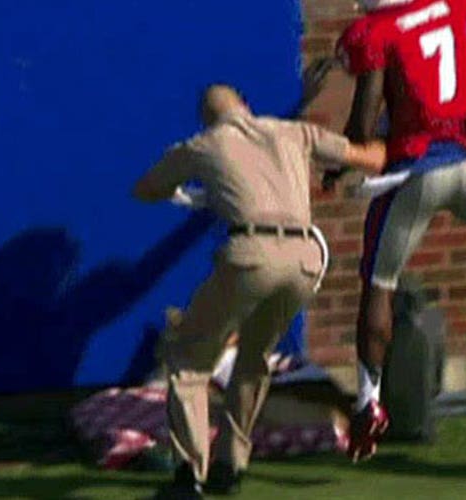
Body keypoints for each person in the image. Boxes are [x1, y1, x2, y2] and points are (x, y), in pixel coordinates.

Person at [133, 84, 386, 499]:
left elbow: (147, 189)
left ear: (208, 118)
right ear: (247, 106)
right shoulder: (293, 131)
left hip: (252, 254)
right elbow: (369, 158)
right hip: (306, 258)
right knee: (254, 359)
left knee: (189, 360)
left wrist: (192, 194)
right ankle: (232, 465)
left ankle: (188, 477)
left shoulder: (204, 143)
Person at [323, 0, 466, 462]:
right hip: (464, 162)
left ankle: (369, 402)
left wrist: (340, 163)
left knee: (379, 285)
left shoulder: (375, 31)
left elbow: (363, 119)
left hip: (415, 174)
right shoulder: (449, 6)